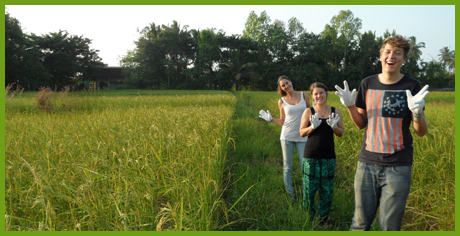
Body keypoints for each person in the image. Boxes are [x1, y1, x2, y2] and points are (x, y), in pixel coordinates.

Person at [334, 35, 429, 231]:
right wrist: (351, 106)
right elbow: (361, 124)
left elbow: (421, 132)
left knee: (389, 227)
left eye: (397, 53)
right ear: (380, 56)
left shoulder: (411, 86)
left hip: (398, 167)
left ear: (404, 59)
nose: (391, 56)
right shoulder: (367, 84)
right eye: (387, 52)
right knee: (359, 224)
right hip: (366, 164)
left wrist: (417, 112)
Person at [259, 75, 311, 201]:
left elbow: (310, 112)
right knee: (287, 167)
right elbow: (283, 121)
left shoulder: (304, 95)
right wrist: (271, 119)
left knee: (305, 166)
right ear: (281, 88)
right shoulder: (281, 101)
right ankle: (290, 196)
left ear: (291, 82)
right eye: (283, 85)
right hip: (287, 136)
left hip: (303, 136)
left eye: (287, 83)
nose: (286, 86)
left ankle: (306, 195)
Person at [299, 82, 344, 223]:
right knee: (309, 190)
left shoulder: (335, 111)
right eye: (316, 94)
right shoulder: (309, 111)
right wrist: (312, 127)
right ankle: (309, 218)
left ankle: (323, 219)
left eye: (321, 92)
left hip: (329, 156)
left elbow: (341, 133)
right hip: (311, 156)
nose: (319, 96)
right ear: (312, 96)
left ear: (326, 93)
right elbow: (301, 132)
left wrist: (334, 126)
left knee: (327, 190)